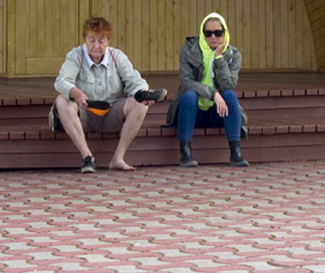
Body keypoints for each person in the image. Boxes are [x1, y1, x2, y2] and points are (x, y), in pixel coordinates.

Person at [51, 16, 167, 172]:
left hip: (112, 114)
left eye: (101, 41)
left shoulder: (117, 56)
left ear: (108, 41)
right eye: (91, 40)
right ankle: (87, 157)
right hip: (84, 113)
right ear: (85, 40)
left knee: (140, 105)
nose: (96, 46)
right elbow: (61, 81)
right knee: (62, 100)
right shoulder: (75, 56)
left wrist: (143, 93)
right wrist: (75, 92)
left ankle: (118, 158)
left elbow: (135, 81)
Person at [166, 11, 247, 167]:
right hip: (193, 111)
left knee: (230, 95)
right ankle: (185, 154)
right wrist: (213, 94)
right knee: (189, 95)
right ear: (202, 34)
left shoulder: (233, 54)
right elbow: (186, 82)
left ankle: (236, 154)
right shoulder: (189, 50)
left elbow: (228, 84)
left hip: (218, 112)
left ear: (225, 33)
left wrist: (219, 58)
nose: (213, 37)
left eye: (218, 33)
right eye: (208, 33)